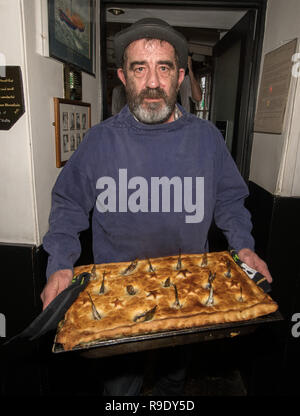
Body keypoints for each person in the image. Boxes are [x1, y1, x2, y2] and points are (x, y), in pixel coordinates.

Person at [41, 17, 272, 395]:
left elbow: (230, 198)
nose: (152, 82)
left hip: (189, 293)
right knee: (120, 390)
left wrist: (243, 245)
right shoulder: (99, 142)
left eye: (163, 68)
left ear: (180, 76)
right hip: (116, 299)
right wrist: (60, 266)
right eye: (139, 68)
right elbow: (67, 205)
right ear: (123, 77)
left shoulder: (206, 139)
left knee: (175, 381)